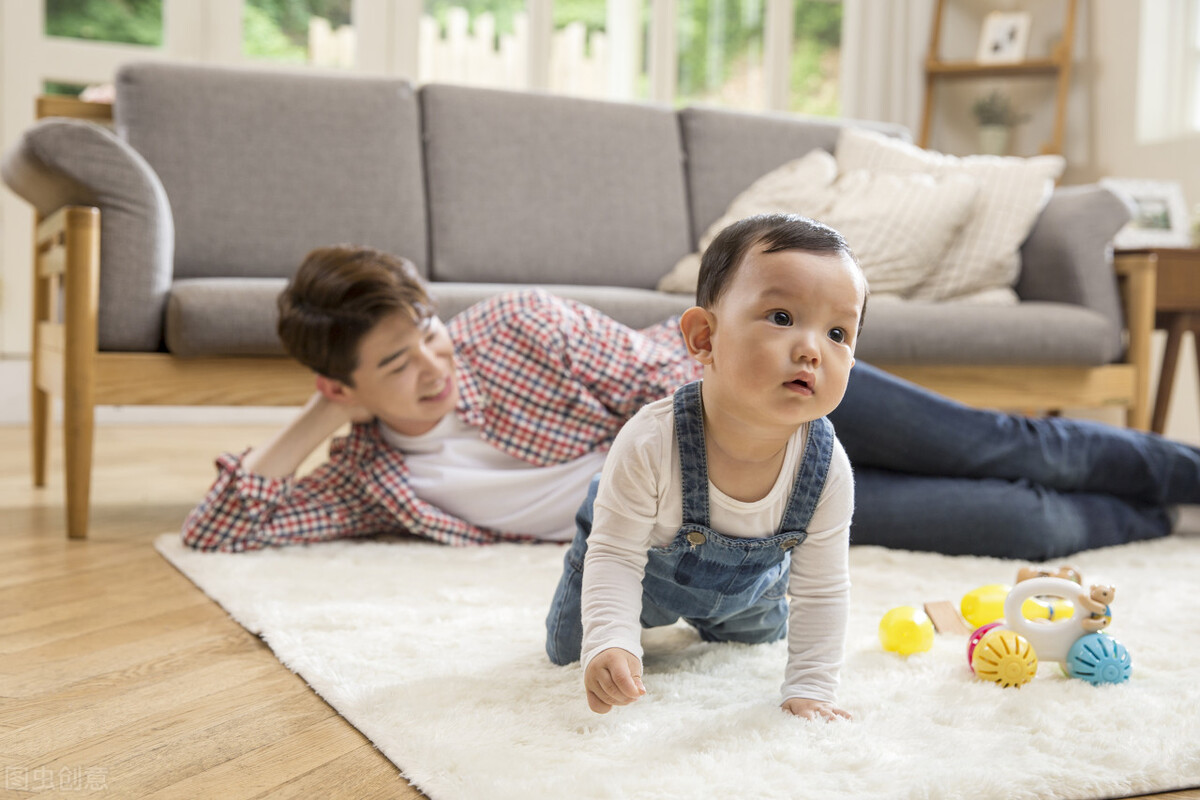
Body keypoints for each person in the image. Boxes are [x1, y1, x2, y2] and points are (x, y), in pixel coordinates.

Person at [183, 236, 1200, 560]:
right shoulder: (377, 479)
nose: (434, 367)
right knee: (1016, 523)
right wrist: (320, 420)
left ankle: (1187, 474)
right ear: (342, 383)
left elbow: (659, 374)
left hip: (765, 389)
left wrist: (762, 424)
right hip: (734, 511)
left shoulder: (514, 325)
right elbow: (222, 529)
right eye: (398, 364)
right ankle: (1157, 520)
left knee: (1002, 442)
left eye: (429, 334)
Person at [544, 215, 864, 721]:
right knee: (571, 651)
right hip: (643, 568)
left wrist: (811, 687)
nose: (810, 349)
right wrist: (610, 640)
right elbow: (618, 556)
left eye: (838, 332)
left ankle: (721, 621)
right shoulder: (652, 441)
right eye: (782, 318)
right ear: (704, 339)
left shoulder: (826, 468)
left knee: (758, 638)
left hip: (750, 592)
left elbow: (821, 588)